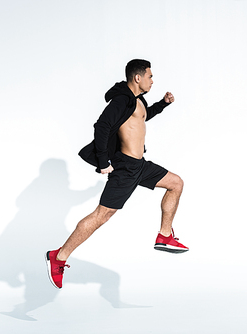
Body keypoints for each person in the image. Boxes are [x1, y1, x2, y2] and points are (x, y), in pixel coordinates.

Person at [45, 59, 188, 289]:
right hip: (125, 168)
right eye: (150, 76)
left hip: (140, 166)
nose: (153, 80)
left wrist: (162, 104)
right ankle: (58, 257)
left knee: (176, 183)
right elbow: (102, 126)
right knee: (103, 215)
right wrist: (103, 162)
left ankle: (164, 235)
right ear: (137, 77)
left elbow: (141, 118)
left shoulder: (138, 101)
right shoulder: (122, 100)